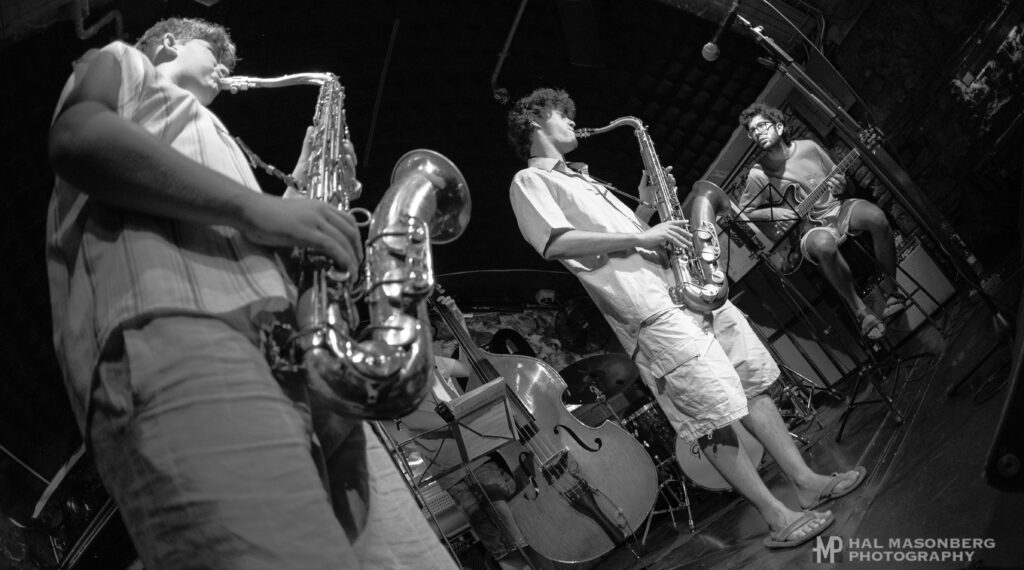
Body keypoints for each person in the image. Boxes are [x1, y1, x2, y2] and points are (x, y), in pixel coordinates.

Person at [45, 17, 453, 569]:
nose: (224, 67)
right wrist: (255, 207)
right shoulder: (123, 62)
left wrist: (303, 197)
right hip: (181, 330)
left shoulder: (215, 138)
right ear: (167, 43)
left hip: (289, 358)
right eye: (211, 51)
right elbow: (79, 137)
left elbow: (243, 238)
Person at [506, 88, 867, 549]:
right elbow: (555, 242)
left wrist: (644, 209)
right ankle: (775, 516)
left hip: (687, 289)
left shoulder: (584, 178)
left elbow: (627, 239)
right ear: (536, 122)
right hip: (650, 311)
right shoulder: (529, 181)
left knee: (753, 384)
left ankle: (806, 481)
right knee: (711, 416)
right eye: (563, 114)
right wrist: (644, 235)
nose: (573, 121)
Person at [385, 295, 552, 570]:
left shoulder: (433, 363)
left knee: (520, 525)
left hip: (478, 455)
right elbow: (415, 420)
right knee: (499, 541)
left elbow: (469, 366)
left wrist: (459, 325)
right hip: (451, 471)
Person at [736, 103, 910, 340]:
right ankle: (861, 312)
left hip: (837, 209)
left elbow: (846, 186)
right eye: (752, 131)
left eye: (762, 126)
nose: (757, 133)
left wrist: (843, 185)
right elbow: (745, 212)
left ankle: (892, 292)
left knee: (876, 218)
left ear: (779, 126)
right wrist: (777, 214)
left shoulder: (809, 148)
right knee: (823, 245)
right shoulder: (758, 174)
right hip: (808, 230)